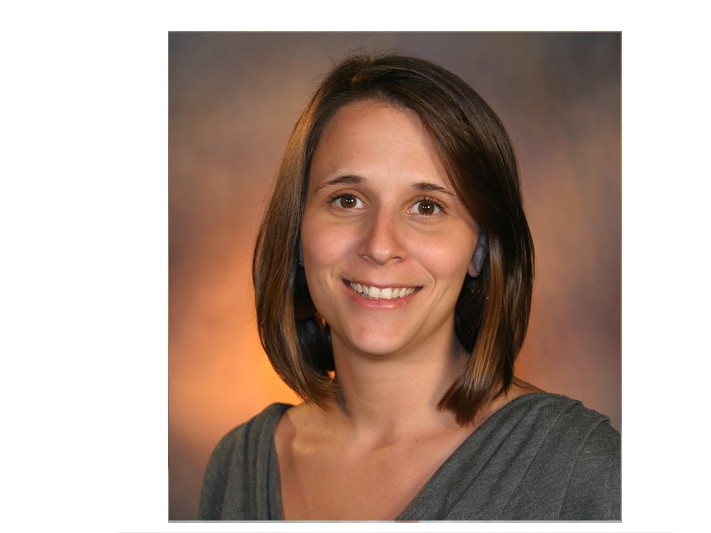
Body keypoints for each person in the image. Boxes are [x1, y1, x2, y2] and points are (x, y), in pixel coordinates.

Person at [198, 52, 620, 521]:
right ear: (297, 231)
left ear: (480, 249)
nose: (380, 246)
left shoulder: (580, 469)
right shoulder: (238, 464)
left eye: (426, 207)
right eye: (348, 199)